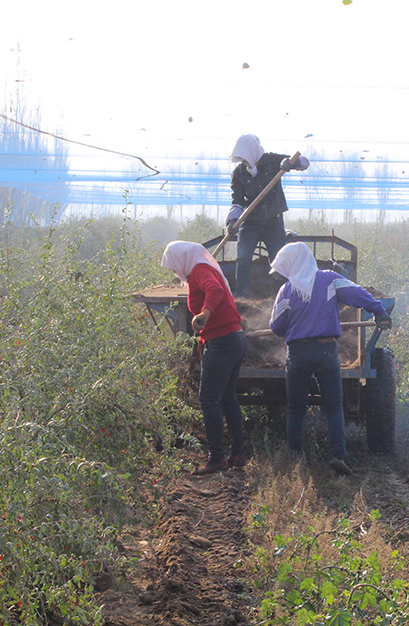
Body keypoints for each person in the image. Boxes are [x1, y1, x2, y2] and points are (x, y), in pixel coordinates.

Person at [268, 242, 392, 476]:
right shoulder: (329, 280)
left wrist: (295, 328)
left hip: (298, 354)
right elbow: (357, 294)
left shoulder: (286, 290)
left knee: (296, 409)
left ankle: (295, 459)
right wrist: (379, 310)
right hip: (326, 352)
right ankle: (337, 455)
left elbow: (276, 325)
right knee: (334, 408)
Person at [161, 241, 248, 475]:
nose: (174, 271)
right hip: (234, 339)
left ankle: (217, 459)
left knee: (208, 400)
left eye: (173, 266)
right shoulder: (202, 269)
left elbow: (215, 291)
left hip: (222, 343)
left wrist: (205, 313)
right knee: (228, 398)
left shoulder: (200, 271)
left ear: (181, 259)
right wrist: (202, 341)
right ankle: (237, 453)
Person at [226, 133, 310, 298]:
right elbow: (237, 200)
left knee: (279, 260)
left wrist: (290, 163)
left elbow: (304, 163)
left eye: (244, 157)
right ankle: (242, 297)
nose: (243, 161)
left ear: (251, 151)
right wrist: (233, 221)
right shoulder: (238, 174)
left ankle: (284, 295)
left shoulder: (272, 161)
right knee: (243, 259)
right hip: (249, 223)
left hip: (273, 221)